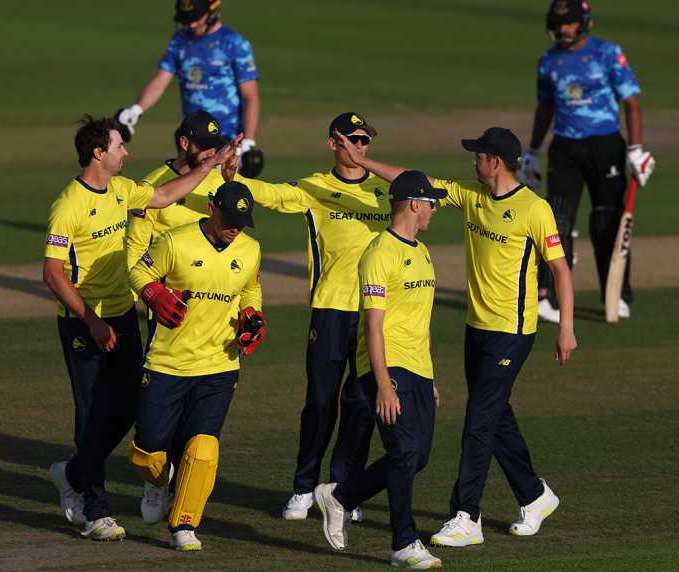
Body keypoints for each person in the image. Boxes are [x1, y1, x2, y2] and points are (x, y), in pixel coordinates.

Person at [335, 127, 577, 547]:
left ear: (495, 161)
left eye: (478, 154)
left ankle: (467, 514)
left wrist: (567, 327)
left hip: (512, 331)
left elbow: (559, 269)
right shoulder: (472, 195)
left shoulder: (534, 209)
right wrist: (364, 164)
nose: (473, 160)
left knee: (478, 421)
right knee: (495, 414)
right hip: (476, 327)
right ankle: (535, 495)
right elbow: (415, 183)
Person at [43, 114, 234, 541]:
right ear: (98, 153)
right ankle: (96, 511)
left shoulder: (121, 190)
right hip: (82, 324)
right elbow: (52, 274)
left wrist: (210, 166)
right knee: (91, 415)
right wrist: (90, 320)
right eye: (119, 146)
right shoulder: (68, 205)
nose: (126, 153)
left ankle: (72, 472)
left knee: (134, 407)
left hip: (122, 315)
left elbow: (165, 195)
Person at [222, 112, 386, 522]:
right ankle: (303, 488)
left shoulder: (385, 189)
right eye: (353, 140)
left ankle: (344, 492)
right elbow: (273, 195)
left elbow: (425, 193)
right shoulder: (316, 187)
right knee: (319, 401)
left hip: (374, 314)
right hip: (330, 309)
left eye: (365, 141)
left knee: (361, 404)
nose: (360, 147)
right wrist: (233, 180)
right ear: (334, 142)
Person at [313, 170, 445, 570]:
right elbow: (373, 325)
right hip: (386, 367)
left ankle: (340, 496)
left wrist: (431, 377)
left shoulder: (422, 251)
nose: (435, 210)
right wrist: (383, 385)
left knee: (416, 457)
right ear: (413, 204)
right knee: (404, 451)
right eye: (431, 203)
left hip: (418, 368)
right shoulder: (378, 254)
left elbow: (420, 321)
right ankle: (404, 542)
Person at [127, 181, 265, 552]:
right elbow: (138, 272)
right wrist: (154, 294)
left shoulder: (250, 250)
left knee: (203, 448)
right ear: (210, 208)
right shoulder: (175, 241)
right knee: (147, 451)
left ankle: (184, 524)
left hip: (219, 365)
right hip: (167, 363)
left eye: (242, 220)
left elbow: (250, 289)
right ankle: (157, 483)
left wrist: (252, 316)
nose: (235, 227)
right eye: (229, 218)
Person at [125, 109, 236, 524]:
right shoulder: (155, 185)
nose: (210, 151)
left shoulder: (219, 177)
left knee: (201, 415)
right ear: (184, 143)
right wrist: (152, 294)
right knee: (162, 411)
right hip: (170, 311)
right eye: (203, 144)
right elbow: (136, 256)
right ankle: (157, 481)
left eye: (215, 144)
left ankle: (181, 490)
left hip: (215, 309)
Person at [520, 0, 655, 323]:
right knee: (557, 223)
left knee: (605, 223)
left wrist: (636, 150)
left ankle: (618, 295)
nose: (563, 29)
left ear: (583, 23)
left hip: (606, 145)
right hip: (565, 148)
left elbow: (632, 104)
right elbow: (545, 108)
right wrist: (532, 152)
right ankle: (549, 298)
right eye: (557, 24)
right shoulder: (548, 61)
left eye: (568, 23)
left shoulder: (607, 53)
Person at [116, 0, 264, 177]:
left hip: (226, 138)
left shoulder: (234, 43)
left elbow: (250, 96)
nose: (191, 24)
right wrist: (136, 111)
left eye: (196, 18)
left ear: (212, 12)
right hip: (191, 140)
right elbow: (161, 80)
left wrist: (248, 142)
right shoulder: (180, 40)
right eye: (187, 19)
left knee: (223, 200)